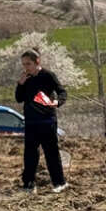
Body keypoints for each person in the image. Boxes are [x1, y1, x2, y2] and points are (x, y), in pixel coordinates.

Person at [15, 49, 68, 194]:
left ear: (37, 62)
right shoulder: (26, 79)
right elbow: (19, 99)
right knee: (30, 155)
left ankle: (59, 183)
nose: (26, 67)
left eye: (28, 64)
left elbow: (62, 91)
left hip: (47, 121)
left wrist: (57, 102)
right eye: (24, 64)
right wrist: (20, 84)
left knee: (52, 153)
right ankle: (29, 185)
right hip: (31, 122)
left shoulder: (48, 76)